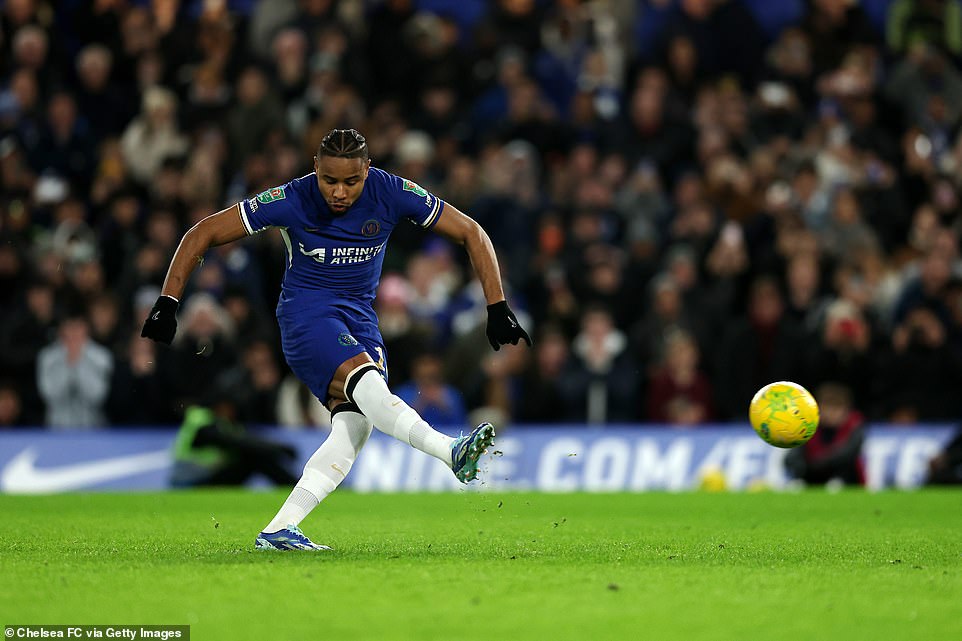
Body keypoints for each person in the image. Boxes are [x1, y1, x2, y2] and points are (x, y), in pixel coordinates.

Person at [141, 129, 531, 551]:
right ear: (316, 169)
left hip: (360, 317)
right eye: (329, 180)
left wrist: (496, 306)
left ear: (367, 170)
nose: (339, 192)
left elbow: (472, 231)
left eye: (351, 181)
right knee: (367, 386)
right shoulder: (292, 198)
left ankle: (280, 529)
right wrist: (168, 301)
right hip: (307, 315)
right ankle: (450, 450)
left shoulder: (392, 191)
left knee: (355, 427)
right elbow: (200, 233)